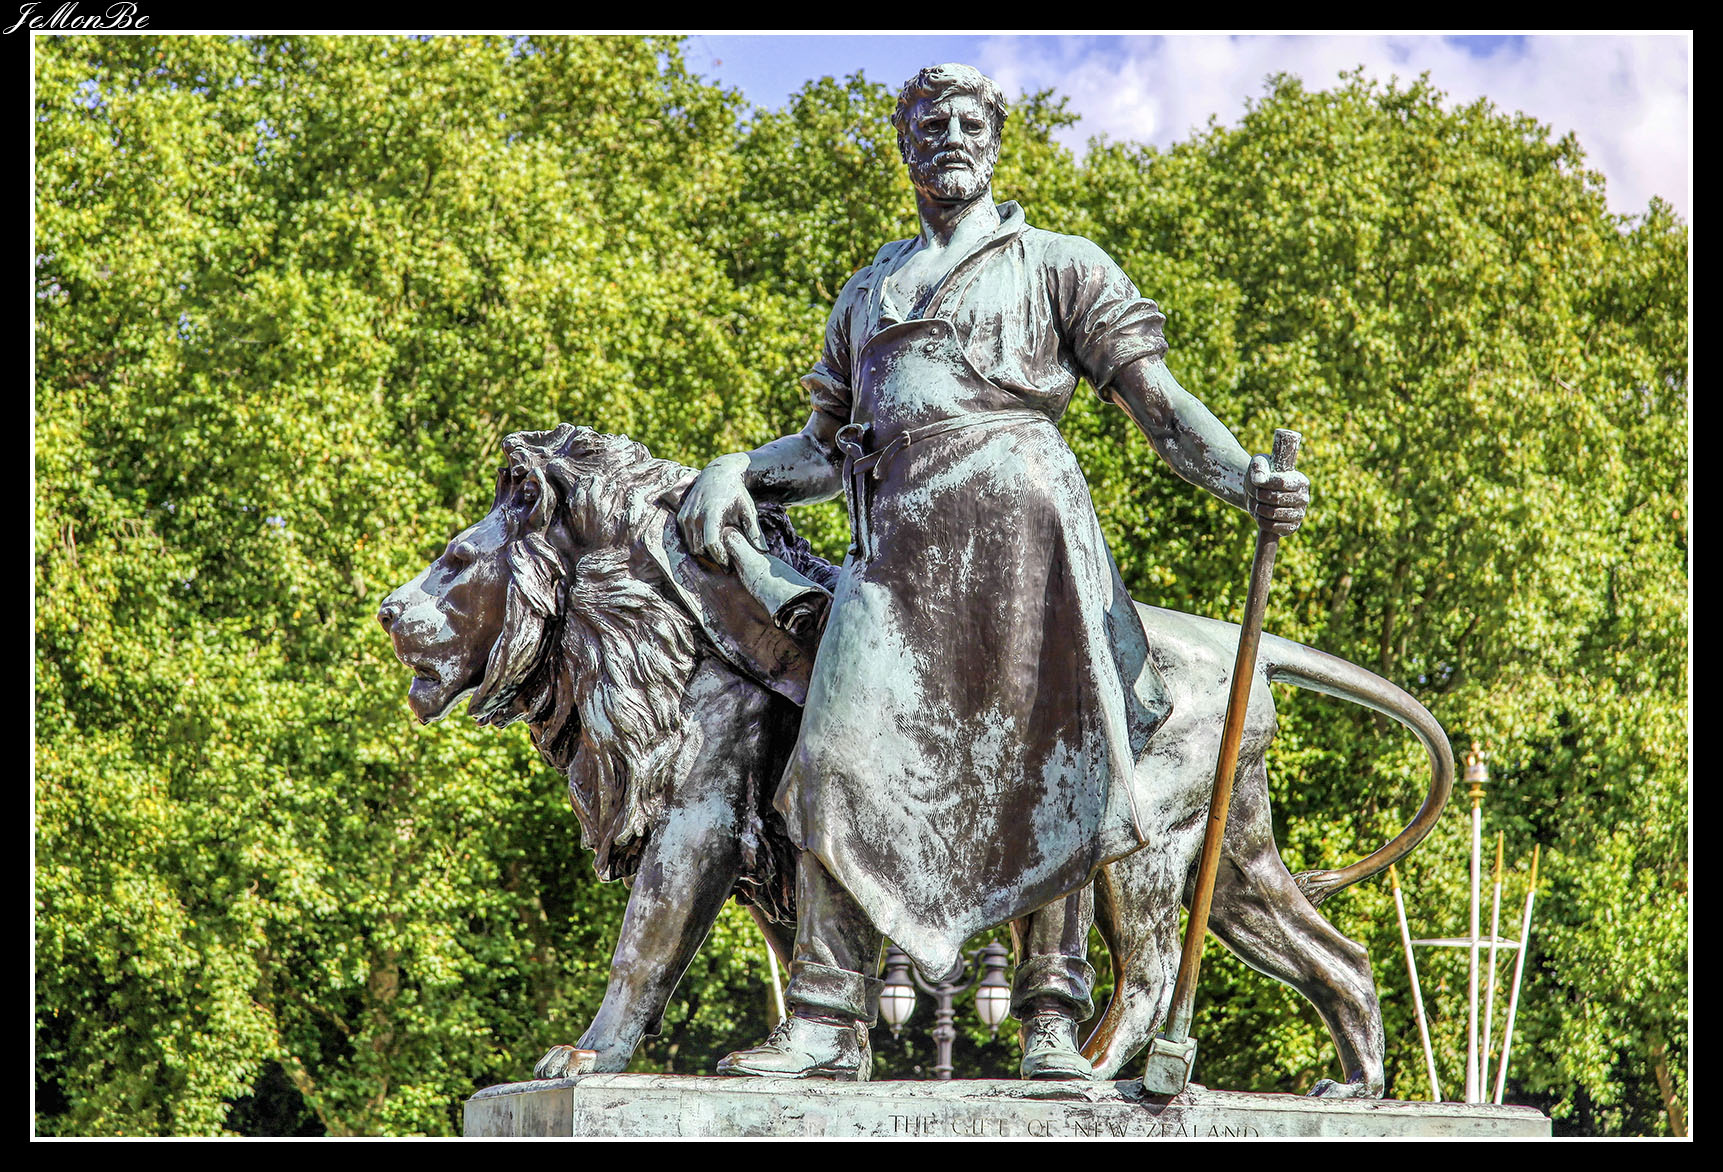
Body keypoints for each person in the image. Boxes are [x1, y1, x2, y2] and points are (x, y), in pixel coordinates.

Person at [678, 64, 1309, 1081]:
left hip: (1029, 549)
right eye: (930, 124)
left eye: (970, 123)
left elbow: (1155, 405)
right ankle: (826, 1018)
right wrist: (734, 467)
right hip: (895, 566)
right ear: (904, 146)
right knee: (832, 759)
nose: (950, 138)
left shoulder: (1057, 263)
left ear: (996, 141)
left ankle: (1050, 1017)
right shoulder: (865, 294)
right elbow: (821, 451)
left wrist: (1246, 478)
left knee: (1051, 771)